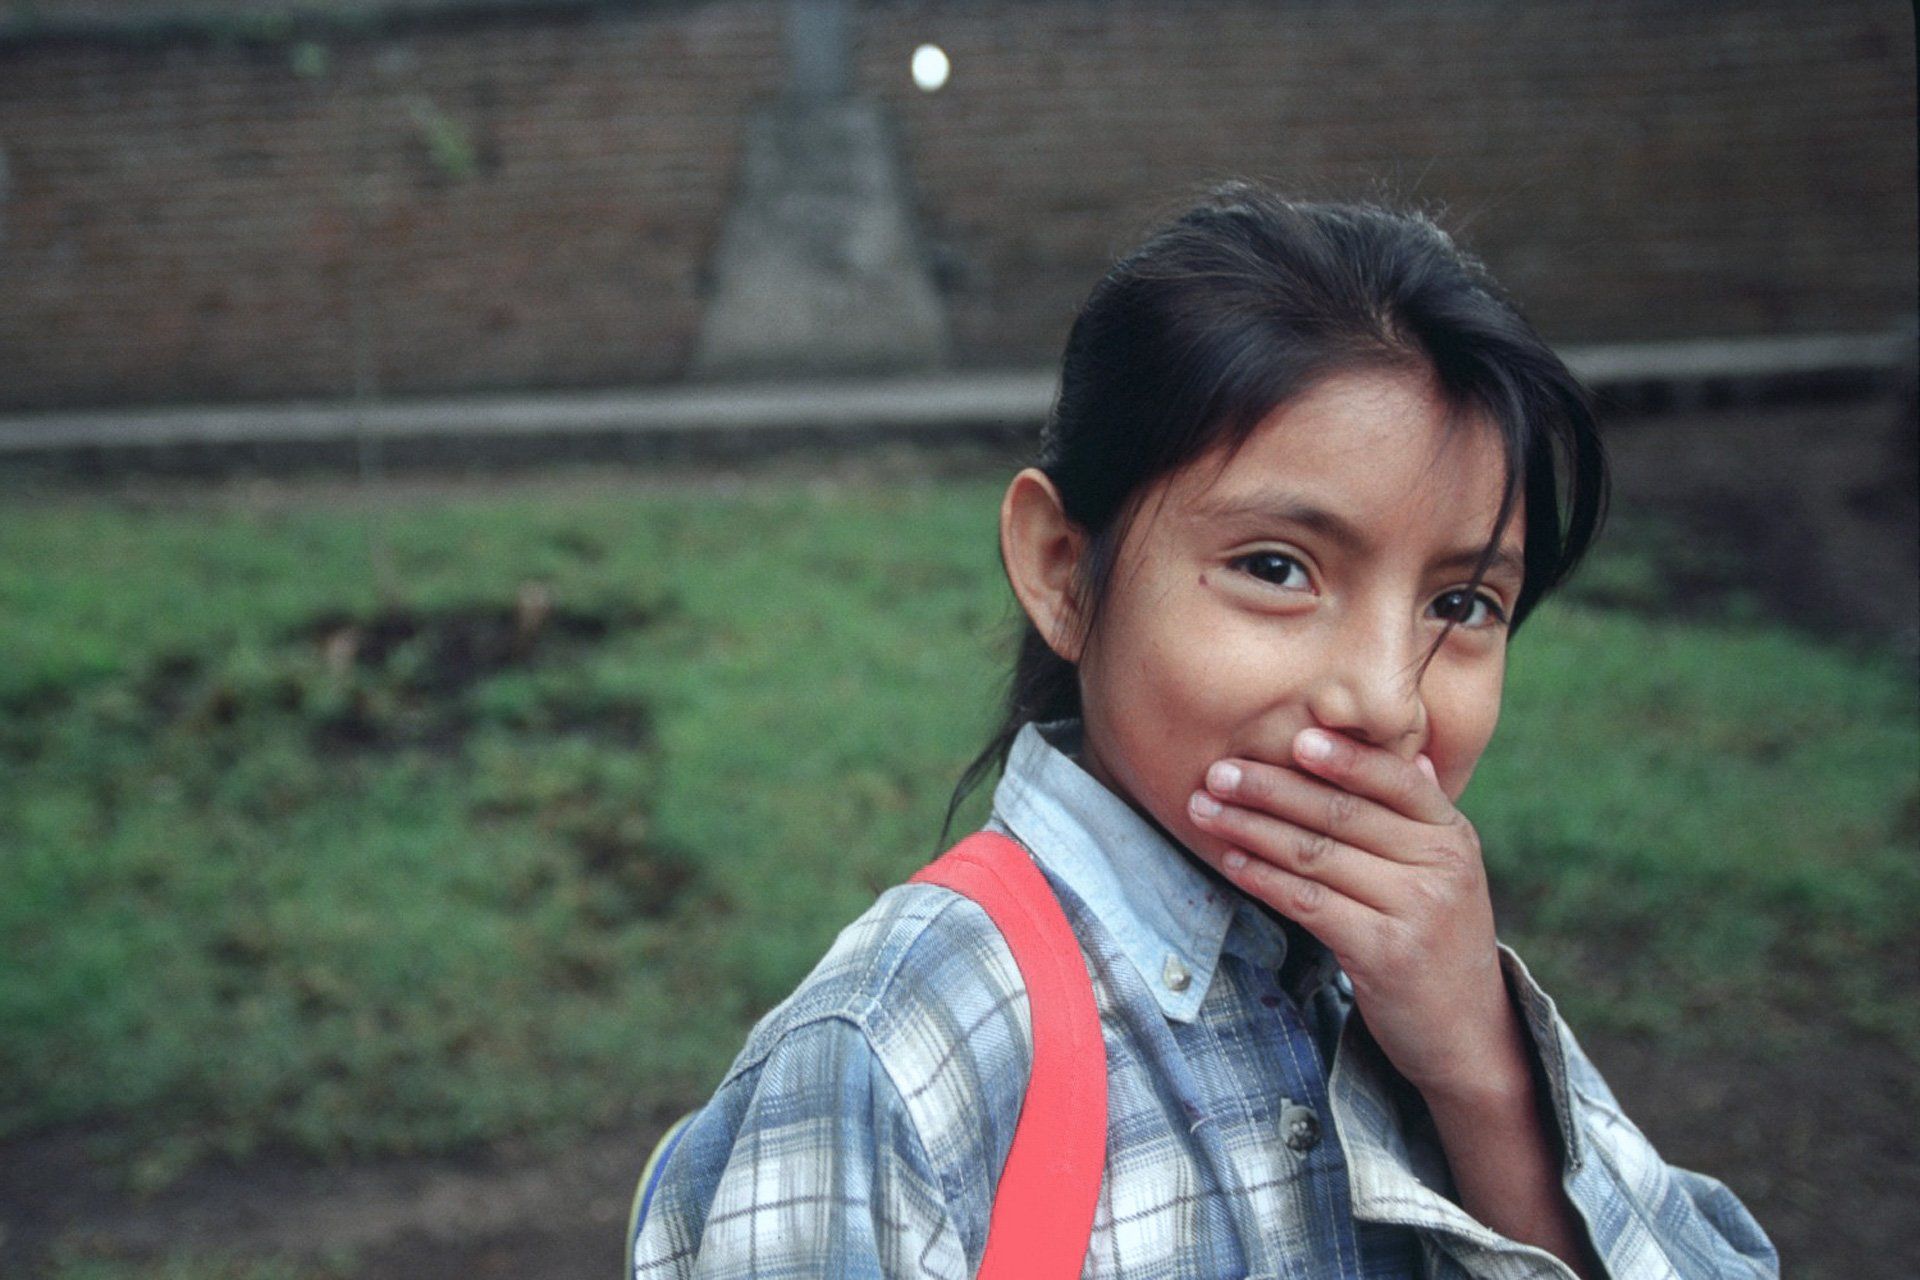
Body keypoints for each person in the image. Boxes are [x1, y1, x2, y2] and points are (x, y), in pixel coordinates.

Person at [630, 182, 1779, 1279]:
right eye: (1277, 567)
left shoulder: (1434, 1002)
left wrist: (1484, 1077)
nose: (1386, 699)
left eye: (1461, 604)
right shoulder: (899, 1049)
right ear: (1063, 569)